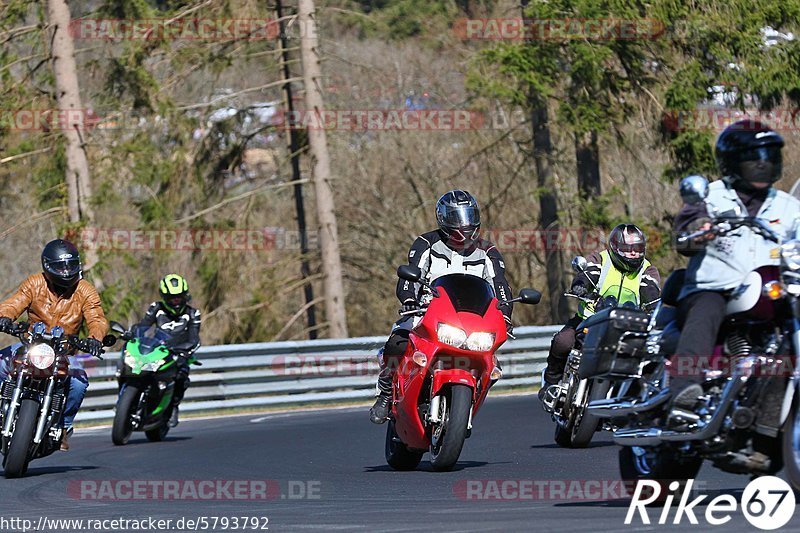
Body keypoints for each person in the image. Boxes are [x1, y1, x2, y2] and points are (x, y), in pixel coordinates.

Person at [670, 120, 800, 415]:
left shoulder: (789, 207)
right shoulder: (711, 196)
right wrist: (700, 229)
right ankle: (683, 388)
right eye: (753, 157)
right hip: (714, 289)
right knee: (707, 309)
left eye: (768, 157)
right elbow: (685, 235)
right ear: (732, 162)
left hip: (770, 292)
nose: (762, 164)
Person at [369, 190, 514, 424]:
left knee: (492, 364)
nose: (464, 224)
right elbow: (409, 277)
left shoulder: (488, 252)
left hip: (471, 319)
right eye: (457, 217)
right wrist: (409, 300)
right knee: (397, 343)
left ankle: (469, 399)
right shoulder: (426, 243)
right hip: (427, 311)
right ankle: (385, 393)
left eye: (468, 215)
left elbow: (500, 287)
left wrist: (505, 315)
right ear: (444, 218)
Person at [0, 239, 108, 451]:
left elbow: (97, 318)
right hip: (31, 344)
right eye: (60, 266)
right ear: (47, 266)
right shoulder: (35, 283)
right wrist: (4, 316)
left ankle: (63, 427)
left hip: (64, 351)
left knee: (78, 383)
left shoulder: (85, 290)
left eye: (71, 265)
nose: (66, 271)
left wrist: (95, 339)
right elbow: (14, 302)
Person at [539, 224, 661, 411]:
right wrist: (581, 284)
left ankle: (632, 402)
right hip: (590, 319)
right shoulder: (601, 259)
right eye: (627, 249)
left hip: (625, 327)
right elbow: (589, 272)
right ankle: (551, 383)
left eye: (637, 249)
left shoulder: (648, 269)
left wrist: (654, 304)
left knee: (645, 358)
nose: (633, 254)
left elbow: (651, 288)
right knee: (563, 342)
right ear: (615, 247)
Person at [131, 274, 201, 427]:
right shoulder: (156, 308)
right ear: (164, 297)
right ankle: (132, 399)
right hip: (158, 349)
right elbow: (143, 325)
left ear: (185, 295)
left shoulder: (193, 314)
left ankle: (174, 406)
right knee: (137, 368)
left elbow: (194, 338)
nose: (176, 301)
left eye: (179, 297)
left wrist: (186, 349)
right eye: (172, 297)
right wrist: (133, 333)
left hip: (181, 352)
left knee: (181, 376)